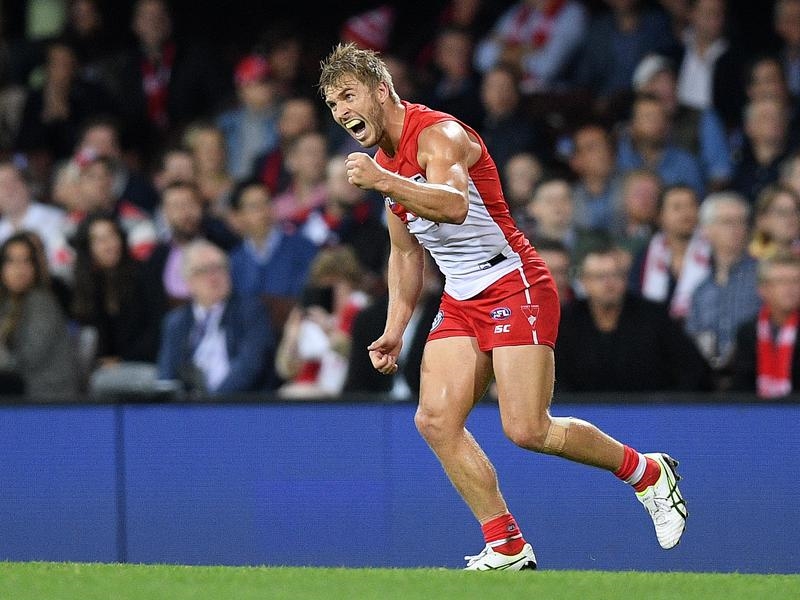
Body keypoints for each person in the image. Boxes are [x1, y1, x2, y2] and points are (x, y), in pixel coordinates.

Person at [318, 42, 688, 570]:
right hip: (461, 295)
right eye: (333, 104)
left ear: (381, 91)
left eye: (348, 96)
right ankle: (507, 545)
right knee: (435, 420)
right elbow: (405, 252)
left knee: (527, 429)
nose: (341, 112)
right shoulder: (384, 164)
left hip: (515, 283)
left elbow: (453, 205)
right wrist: (396, 328)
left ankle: (647, 473)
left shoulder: (439, 134)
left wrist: (383, 182)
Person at [555, 243, 709, 391]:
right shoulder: (566, 322)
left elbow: (691, 370)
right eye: (600, 277)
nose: (609, 284)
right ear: (584, 281)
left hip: (649, 407)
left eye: (616, 275)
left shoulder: (654, 317)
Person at [156, 239, 274, 395]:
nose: (213, 277)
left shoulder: (251, 311)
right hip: (189, 405)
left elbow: (250, 366)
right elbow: (167, 376)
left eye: (219, 268)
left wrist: (213, 402)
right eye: (203, 271)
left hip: (238, 402)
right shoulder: (176, 322)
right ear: (188, 281)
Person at [0, 232, 78, 397]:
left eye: (26, 261)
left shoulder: (42, 303)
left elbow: (28, 358)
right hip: (18, 388)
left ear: (35, 267)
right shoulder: (7, 302)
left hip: (46, 394)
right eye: (11, 261)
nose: (19, 269)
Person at [731, 252, 800, 398]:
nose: (790, 288)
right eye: (781, 281)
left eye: (796, 281)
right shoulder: (748, 332)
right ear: (763, 289)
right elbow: (741, 386)